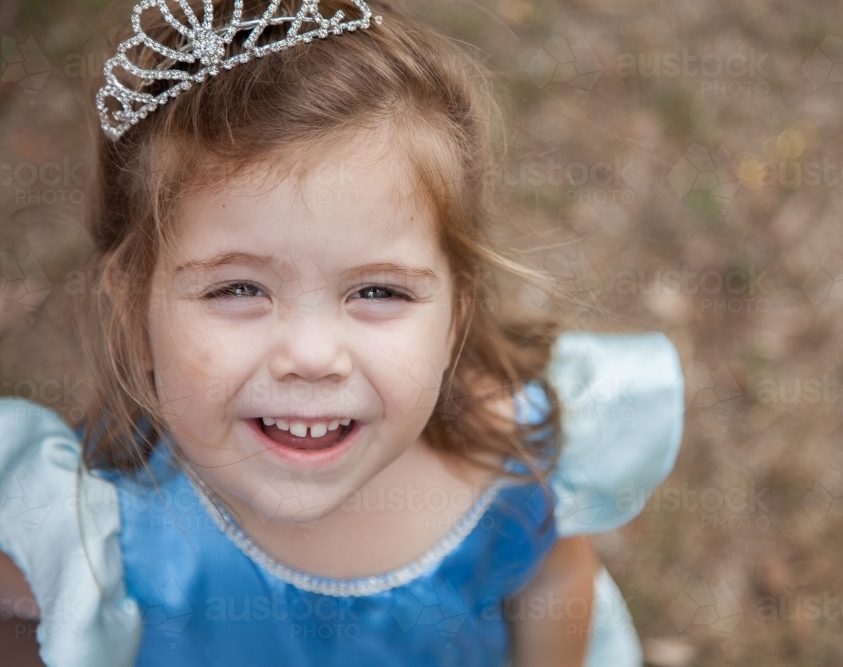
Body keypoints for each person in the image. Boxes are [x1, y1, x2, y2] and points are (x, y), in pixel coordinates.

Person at [0, 1, 685, 665]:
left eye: (377, 291)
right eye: (238, 289)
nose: (311, 355)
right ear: (135, 314)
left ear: (456, 315)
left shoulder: (509, 460)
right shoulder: (95, 527)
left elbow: (554, 583)